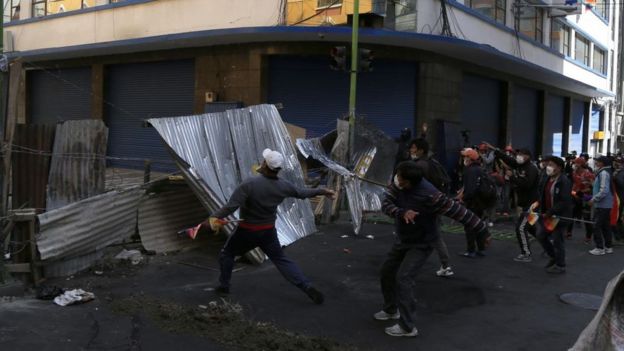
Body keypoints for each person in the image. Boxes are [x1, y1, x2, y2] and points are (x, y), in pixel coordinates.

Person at [207, 148, 336, 303]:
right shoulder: (284, 186)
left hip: (246, 231)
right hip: (268, 232)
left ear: (264, 164)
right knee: (281, 259)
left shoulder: (250, 184)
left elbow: (230, 207)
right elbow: (302, 193)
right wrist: (323, 190)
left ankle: (224, 286)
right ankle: (306, 286)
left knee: (227, 254)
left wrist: (211, 218)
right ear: (278, 168)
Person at [377, 161, 488, 337]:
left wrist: (482, 230)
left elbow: (459, 212)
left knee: (404, 279)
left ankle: (407, 326)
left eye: (400, 179)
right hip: (403, 239)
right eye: (397, 176)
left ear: (410, 182)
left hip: (422, 243)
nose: (396, 181)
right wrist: (401, 212)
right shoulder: (398, 185)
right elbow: (386, 204)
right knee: (386, 272)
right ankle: (391, 309)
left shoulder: (431, 195)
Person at [403, 138, 454, 277]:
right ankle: (445, 265)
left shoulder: (419, 166)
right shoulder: (431, 162)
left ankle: (444, 265)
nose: (411, 150)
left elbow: (414, 187)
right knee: (432, 236)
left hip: (423, 207)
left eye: (413, 148)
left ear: (420, 150)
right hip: (432, 205)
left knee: (429, 236)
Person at [487, 144, 539, 262]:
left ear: (527, 156)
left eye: (521, 155)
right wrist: (496, 151)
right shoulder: (520, 165)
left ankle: (526, 254)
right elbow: (509, 160)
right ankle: (547, 243)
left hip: (533, 205)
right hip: (527, 203)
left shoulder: (531, 169)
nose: (518, 157)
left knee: (521, 228)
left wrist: (511, 178)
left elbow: (527, 184)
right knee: (530, 228)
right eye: (518, 154)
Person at [534, 156, 573, 274]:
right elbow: (542, 194)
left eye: (551, 165)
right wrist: (538, 205)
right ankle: (554, 257)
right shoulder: (547, 178)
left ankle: (560, 265)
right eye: (548, 164)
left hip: (559, 216)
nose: (548, 167)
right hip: (549, 215)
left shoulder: (564, 181)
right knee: (541, 235)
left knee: (557, 239)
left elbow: (564, 201)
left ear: (559, 168)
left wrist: (551, 211)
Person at [457, 148, 491, 257]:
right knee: (478, 225)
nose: (464, 159)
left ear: (470, 158)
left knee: (469, 226)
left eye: (465, 157)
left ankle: (471, 250)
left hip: (473, 203)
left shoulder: (469, 170)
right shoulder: (480, 169)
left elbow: (470, 190)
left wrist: (463, 198)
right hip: (481, 203)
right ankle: (481, 249)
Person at [588, 156, 615, 256]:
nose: (595, 163)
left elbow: (604, 190)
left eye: (597, 161)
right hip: (606, 204)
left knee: (596, 225)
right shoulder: (606, 171)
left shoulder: (603, 173)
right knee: (605, 226)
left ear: (602, 163)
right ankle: (608, 247)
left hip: (602, 204)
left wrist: (594, 199)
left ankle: (599, 248)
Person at [568, 157, 595, 243]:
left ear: (580, 164)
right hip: (574, 196)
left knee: (586, 217)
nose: (574, 165)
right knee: (571, 214)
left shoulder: (588, 174)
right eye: (574, 163)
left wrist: (582, 192)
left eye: (576, 163)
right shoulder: (574, 173)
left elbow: (593, 187)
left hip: (585, 197)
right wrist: (572, 192)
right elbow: (574, 183)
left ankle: (588, 236)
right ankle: (568, 233)